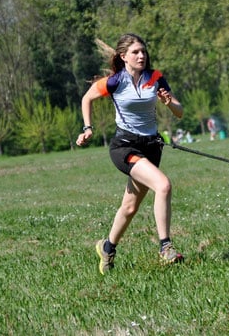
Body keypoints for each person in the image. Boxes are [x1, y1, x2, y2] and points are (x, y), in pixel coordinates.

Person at [76, 33, 184, 274]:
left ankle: (107, 247)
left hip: (151, 147)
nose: (141, 55)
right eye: (135, 52)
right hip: (125, 147)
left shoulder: (155, 78)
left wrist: (168, 103)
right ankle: (166, 247)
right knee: (163, 185)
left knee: (130, 207)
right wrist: (87, 128)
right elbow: (87, 98)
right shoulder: (115, 81)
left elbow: (179, 112)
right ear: (123, 56)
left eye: (143, 51)